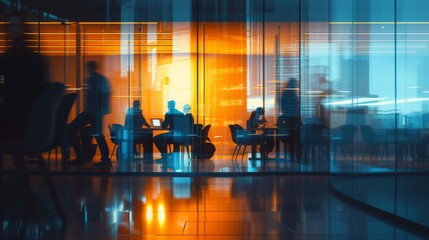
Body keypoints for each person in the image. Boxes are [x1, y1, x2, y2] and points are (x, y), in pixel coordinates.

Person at [0, 12, 47, 142]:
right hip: (24, 111)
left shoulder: (10, 57)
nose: (12, 29)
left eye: (16, 25)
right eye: (10, 26)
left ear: (23, 28)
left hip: (19, 111)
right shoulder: (32, 57)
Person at [63, 61, 111, 167]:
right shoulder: (101, 80)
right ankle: (105, 160)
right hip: (96, 112)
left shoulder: (91, 80)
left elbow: (100, 96)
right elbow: (106, 96)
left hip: (91, 112)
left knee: (72, 129)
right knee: (99, 136)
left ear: (90, 68)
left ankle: (80, 158)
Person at [279, 78, 302, 161]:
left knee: (293, 139)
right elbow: (295, 107)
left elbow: (283, 107)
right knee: (295, 138)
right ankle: (297, 157)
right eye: (295, 84)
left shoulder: (286, 93)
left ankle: (293, 157)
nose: (296, 86)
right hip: (292, 119)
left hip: (290, 119)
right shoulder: (291, 93)